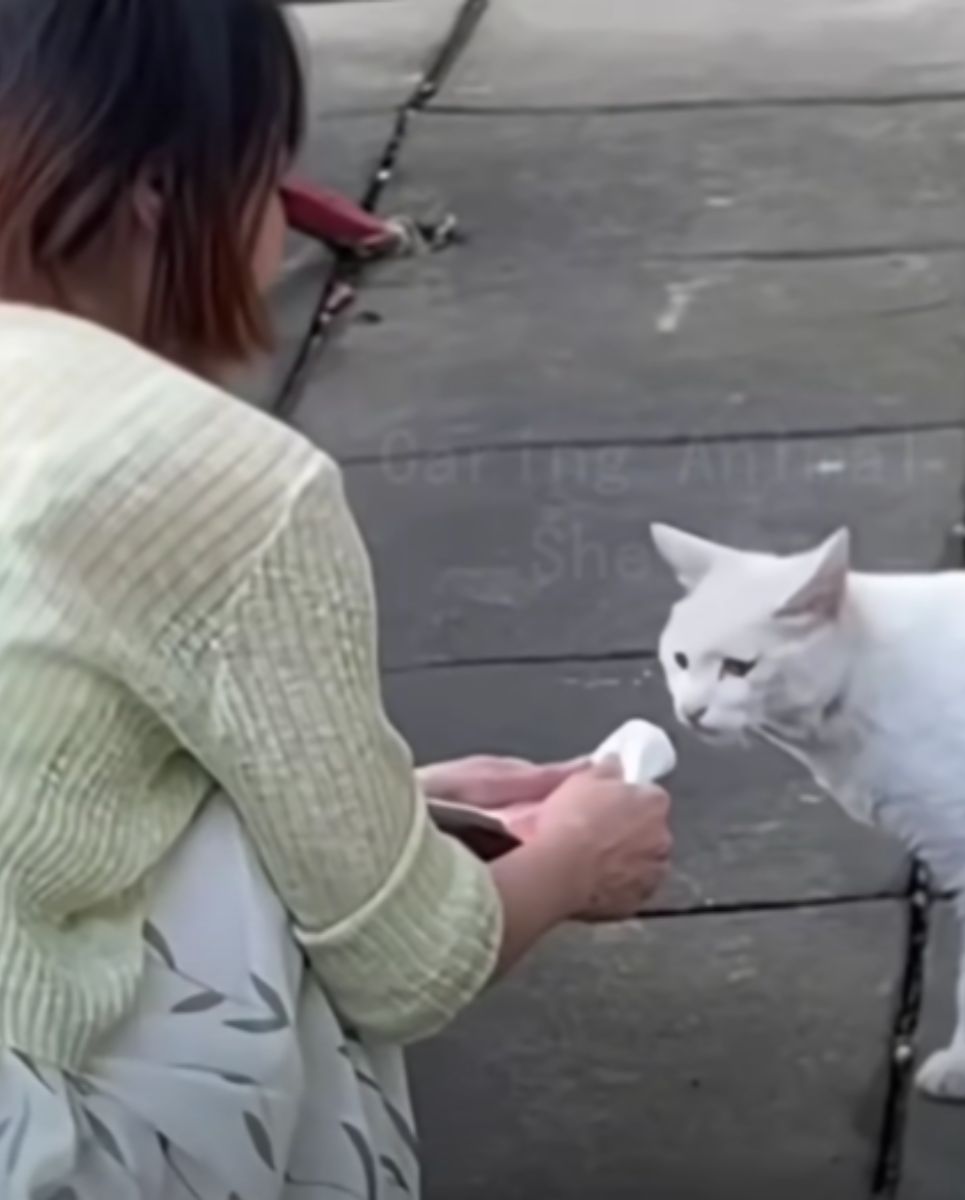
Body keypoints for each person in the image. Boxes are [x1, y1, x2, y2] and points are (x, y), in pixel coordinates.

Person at [0, 2, 674, 1197]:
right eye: (269, 180)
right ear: (165, 191)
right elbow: (409, 964)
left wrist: (393, 806)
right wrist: (574, 860)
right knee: (301, 952)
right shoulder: (201, 472)